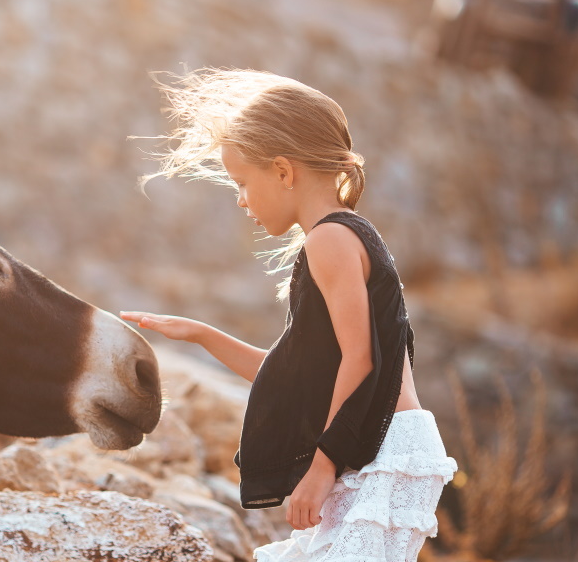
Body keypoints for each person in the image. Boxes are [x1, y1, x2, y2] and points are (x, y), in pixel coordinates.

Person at [120, 68, 457, 561]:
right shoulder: (340, 236)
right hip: (377, 447)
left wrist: (321, 468)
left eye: (241, 182)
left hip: (387, 451)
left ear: (282, 171)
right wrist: (201, 335)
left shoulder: (330, 239)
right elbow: (293, 377)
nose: (241, 200)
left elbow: (359, 360)